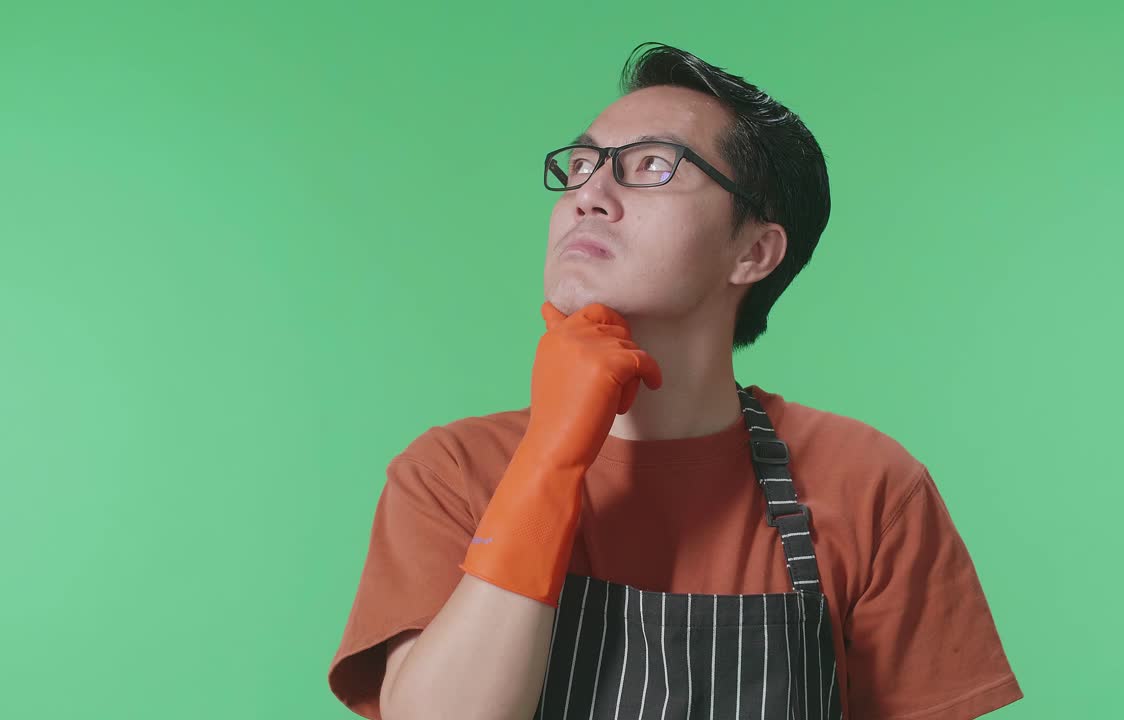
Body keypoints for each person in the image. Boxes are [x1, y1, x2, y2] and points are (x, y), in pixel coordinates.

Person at [327, 42, 1023, 720]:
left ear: (754, 252)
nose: (589, 195)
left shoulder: (872, 488)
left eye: (653, 166)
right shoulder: (452, 474)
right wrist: (549, 458)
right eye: (581, 165)